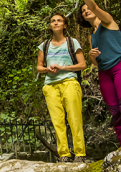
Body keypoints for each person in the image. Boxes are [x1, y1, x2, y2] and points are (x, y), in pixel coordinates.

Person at [72, 0, 121, 146]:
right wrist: (91, 58)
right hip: (104, 73)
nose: (87, 11)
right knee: (115, 114)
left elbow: (94, 7)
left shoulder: (108, 21)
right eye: (83, 10)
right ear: (82, 16)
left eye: (87, 8)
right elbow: (97, 64)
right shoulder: (92, 37)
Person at [36, 13, 87, 163]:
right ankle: (64, 155)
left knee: (74, 118)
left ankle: (80, 154)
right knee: (57, 122)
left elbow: (82, 65)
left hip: (69, 82)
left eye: (59, 21)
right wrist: (47, 70)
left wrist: (62, 67)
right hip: (50, 86)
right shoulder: (44, 45)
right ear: (50, 25)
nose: (56, 23)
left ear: (65, 25)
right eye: (53, 21)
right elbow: (39, 67)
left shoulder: (72, 42)